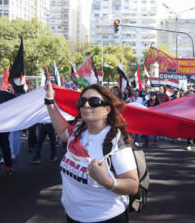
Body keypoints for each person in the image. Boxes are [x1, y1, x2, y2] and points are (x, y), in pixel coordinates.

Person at [44, 82, 138, 222]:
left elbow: (133, 185)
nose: (86, 105)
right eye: (82, 101)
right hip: (73, 216)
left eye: (94, 102)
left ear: (107, 109)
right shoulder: (77, 130)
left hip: (106, 217)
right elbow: (62, 132)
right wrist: (50, 101)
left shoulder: (115, 139)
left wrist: (106, 181)